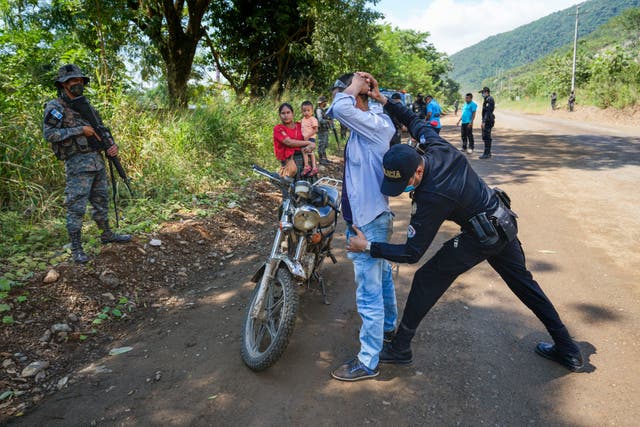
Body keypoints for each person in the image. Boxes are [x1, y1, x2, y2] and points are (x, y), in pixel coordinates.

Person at [345, 73, 584, 373]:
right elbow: (412, 118)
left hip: (482, 235)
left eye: (404, 183)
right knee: (525, 285)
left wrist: (368, 246)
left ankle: (401, 347)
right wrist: (382, 100)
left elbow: (412, 253)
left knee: (426, 277)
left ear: (418, 172)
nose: (402, 190)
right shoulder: (434, 146)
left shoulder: (432, 195)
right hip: (502, 220)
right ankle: (568, 348)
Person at [326, 72, 397, 381]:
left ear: (353, 96)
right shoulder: (371, 125)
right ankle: (389, 327)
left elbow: (340, 108)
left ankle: (368, 360)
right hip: (371, 218)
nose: (337, 99)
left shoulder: (373, 128)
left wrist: (356, 86)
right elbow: (344, 110)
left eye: (341, 92)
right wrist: (373, 94)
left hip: (368, 222)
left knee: (369, 295)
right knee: (381, 280)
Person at [43, 64, 131, 264]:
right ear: (63, 84)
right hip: (77, 163)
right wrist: (80, 130)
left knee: (101, 200)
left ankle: (106, 234)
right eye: (72, 81)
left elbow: (100, 128)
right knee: (76, 206)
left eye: (79, 80)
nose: (77, 84)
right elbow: (49, 134)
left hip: (96, 161)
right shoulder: (55, 107)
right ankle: (76, 248)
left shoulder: (86, 105)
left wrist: (111, 145)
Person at [273, 103, 316, 179]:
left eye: (288, 112)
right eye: (283, 113)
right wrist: (309, 143)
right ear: (279, 115)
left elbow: (311, 136)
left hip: (306, 161)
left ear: (293, 114)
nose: (286, 115)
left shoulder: (301, 126)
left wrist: (311, 145)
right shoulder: (278, 129)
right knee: (293, 188)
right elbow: (289, 142)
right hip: (290, 162)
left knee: (308, 187)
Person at [300, 101, 319, 176]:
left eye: (308, 110)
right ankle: (314, 167)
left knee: (305, 150)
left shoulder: (313, 119)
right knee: (310, 152)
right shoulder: (303, 119)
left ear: (312, 111)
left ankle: (306, 166)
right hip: (305, 139)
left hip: (310, 138)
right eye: (304, 111)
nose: (306, 112)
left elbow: (315, 129)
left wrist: (307, 136)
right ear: (302, 111)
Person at [479, 86, 495, 159]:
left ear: (486, 92)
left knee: (486, 137)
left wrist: (484, 122)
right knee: (485, 136)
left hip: (488, 120)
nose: (482, 94)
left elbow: (488, 112)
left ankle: (487, 153)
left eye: (483, 92)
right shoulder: (487, 99)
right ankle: (488, 152)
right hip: (487, 120)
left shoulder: (489, 99)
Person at [315, 95, 332, 164]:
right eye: (325, 102)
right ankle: (321, 159)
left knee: (325, 144)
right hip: (321, 130)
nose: (325, 103)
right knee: (321, 144)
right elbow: (320, 120)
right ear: (322, 102)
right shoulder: (319, 110)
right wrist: (327, 121)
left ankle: (325, 158)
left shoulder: (322, 110)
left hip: (324, 129)